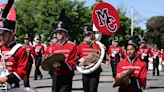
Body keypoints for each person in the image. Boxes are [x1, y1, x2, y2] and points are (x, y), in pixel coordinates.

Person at [43, 12, 77, 92]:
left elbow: (73, 63)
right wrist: (48, 59)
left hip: (67, 75)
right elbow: (45, 57)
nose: (58, 33)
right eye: (57, 32)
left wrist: (61, 65)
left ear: (65, 33)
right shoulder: (51, 47)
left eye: (61, 32)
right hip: (55, 75)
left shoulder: (72, 46)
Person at [0, 3, 28, 89]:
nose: (1, 37)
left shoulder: (20, 49)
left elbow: (22, 71)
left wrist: (7, 78)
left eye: (3, 34)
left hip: (12, 86)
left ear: (11, 33)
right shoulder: (0, 48)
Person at [77, 27, 102, 92]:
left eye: (88, 35)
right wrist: (79, 60)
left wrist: (103, 49)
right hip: (85, 70)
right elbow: (76, 57)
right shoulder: (80, 45)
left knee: (92, 90)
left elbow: (102, 58)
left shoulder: (97, 45)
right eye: (85, 35)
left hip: (95, 71)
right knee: (86, 90)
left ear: (92, 35)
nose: (86, 36)